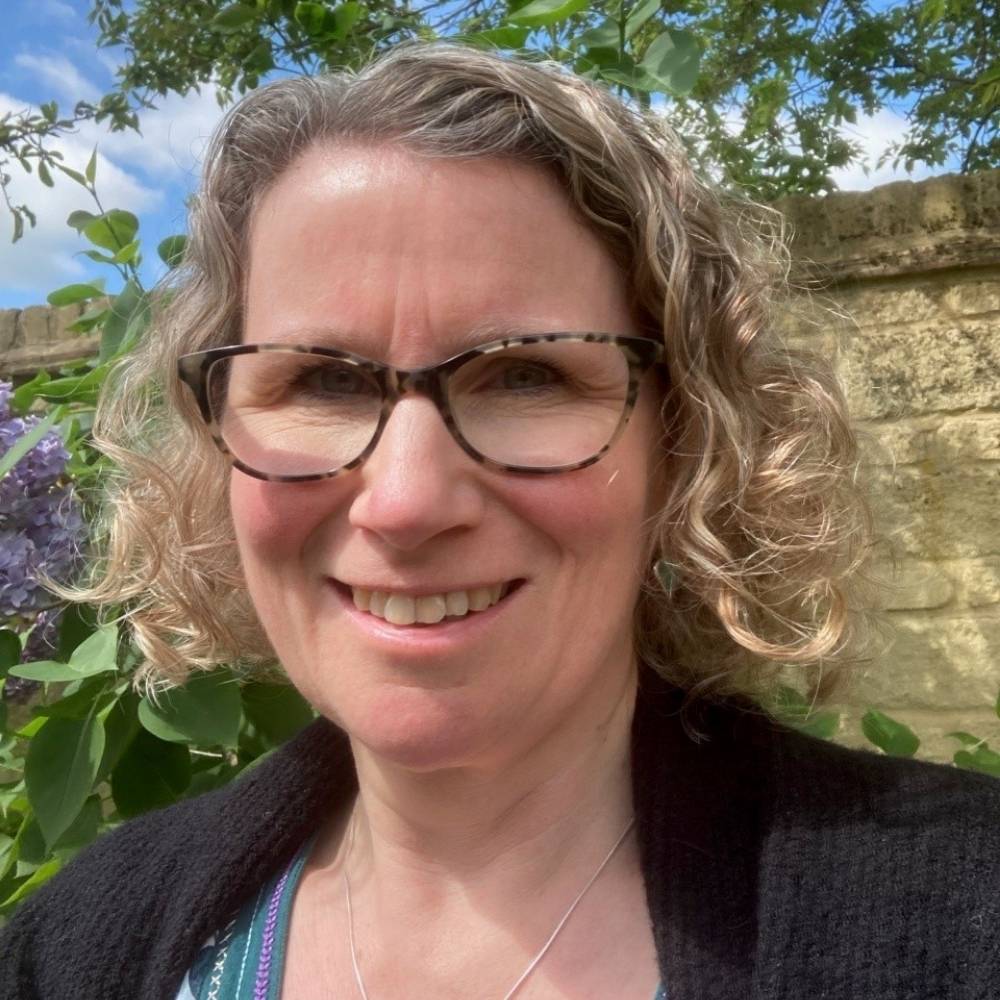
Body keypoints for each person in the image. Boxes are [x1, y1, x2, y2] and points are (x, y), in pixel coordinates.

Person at [2, 40, 998, 1000]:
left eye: (527, 375)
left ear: (683, 438)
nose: (406, 500)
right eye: (321, 379)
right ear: (216, 435)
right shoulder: (76, 948)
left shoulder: (965, 915)